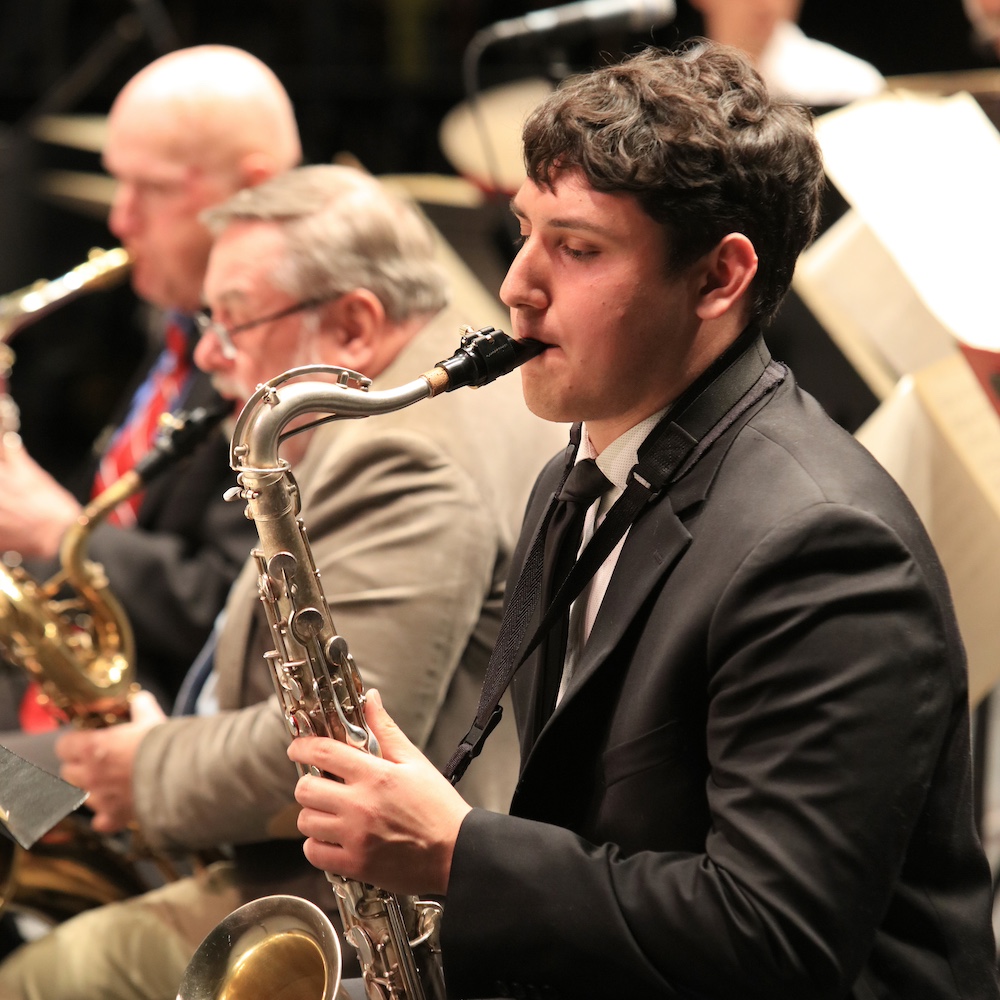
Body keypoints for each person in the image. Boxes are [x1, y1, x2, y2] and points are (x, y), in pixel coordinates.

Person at [286, 43, 1000, 999]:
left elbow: (773, 941)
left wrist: (460, 853)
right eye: (524, 231)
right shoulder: (580, 472)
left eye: (578, 249)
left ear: (719, 279)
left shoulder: (823, 545)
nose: (516, 286)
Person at [0, 163, 563, 1000]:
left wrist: (136, 765)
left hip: (363, 908)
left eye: (233, 323)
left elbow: (333, 748)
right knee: (13, 782)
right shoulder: (396, 401)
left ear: (351, 326)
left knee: (43, 968)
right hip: (267, 816)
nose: (212, 357)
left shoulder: (401, 453)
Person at [0, 44, 301, 716]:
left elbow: (240, 606)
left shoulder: (284, 354)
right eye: (118, 182)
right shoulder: (181, 327)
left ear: (251, 188)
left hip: (157, 722)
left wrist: (56, 532)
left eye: (152, 188)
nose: (119, 218)